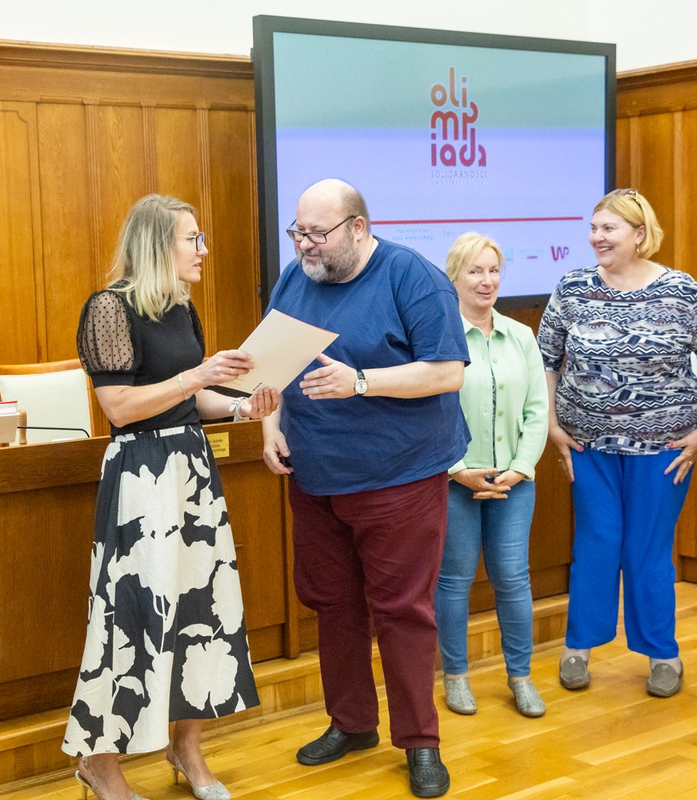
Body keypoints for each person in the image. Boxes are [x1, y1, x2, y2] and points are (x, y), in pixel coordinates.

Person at [63, 194, 277, 800]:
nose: (203, 249)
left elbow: (192, 400)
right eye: (193, 239)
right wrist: (197, 376)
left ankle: (187, 749)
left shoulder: (181, 306)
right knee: (130, 614)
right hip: (141, 475)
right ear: (159, 244)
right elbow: (120, 407)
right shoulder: (108, 308)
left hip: (192, 467)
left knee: (201, 609)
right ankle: (99, 762)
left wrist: (242, 406)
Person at [261, 179, 468, 799]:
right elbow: (272, 367)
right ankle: (351, 723)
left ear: (358, 228)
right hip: (315, 476)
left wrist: (361, 382)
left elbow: (447, 372)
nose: (304, 245)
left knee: (402, 610)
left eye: (317, 234)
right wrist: (270, 427)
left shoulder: (413, 277)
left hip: (398, 476)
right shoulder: (294, 279)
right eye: (297, 232)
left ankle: (421, 742)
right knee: (332, 604)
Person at [537, 188, 697, 698]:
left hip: (664, 449)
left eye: (609, 229)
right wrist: (552, 425)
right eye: (594, 228)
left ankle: (663, 655)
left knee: (647, 549)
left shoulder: (681, 290)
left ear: (639, 234)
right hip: (588, 446)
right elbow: (546, 359)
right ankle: (578, 647)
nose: (596, 237)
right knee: (597, 543)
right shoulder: (573, 287)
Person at [434, 233, 549, 719]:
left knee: (513, 578)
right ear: (454, 278)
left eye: (494, 270)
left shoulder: (521, 336)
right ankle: (456, 677)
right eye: (475, 271)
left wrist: (520, 469)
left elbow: (538, 409)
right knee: (454, 581)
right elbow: (429, 413)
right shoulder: (438, 337)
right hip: (454, 482)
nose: (487, 281)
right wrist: (459, 471)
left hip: (513, 484)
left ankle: (520, 677)